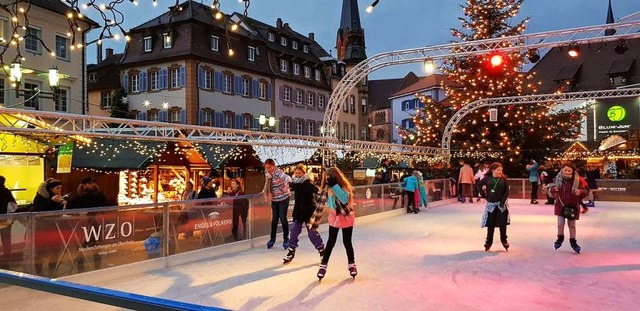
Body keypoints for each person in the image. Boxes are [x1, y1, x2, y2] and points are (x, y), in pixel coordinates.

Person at [317, 167, 357, 280]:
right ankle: (323, 265)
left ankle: (352, 264)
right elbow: (327, 203)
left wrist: (335, 186)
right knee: (331, 242)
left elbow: (344, 199)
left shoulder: (344, 188)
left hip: (346, 217)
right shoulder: (327, 189)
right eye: (327, 179)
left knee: (347, 242)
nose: (328, 181)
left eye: (331, 179)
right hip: (334, 218)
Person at [282, 164, 325, 263]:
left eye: (300, 173)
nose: (297, 175)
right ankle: (291, 251)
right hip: (298, 212)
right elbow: (290, 186)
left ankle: (322, 252)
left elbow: (316, 190)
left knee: (312, 234)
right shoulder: (294, 184)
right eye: (296, 173)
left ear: (304, 174)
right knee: (294, 232)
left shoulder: (307, 184)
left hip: (309, 212)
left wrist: (320, 191)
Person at [66, 177, 108, 272]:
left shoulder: (99, 195)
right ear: (84, 185)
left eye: (93, 183)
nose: (92, 185)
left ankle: (97, 267)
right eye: (89, 183)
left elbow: (105, 206)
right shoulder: (78, 196)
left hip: (94, 223)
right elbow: (70, 209)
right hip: (81, 224)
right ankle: (81, 268)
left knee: (96, 246)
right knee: (81, 246)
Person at [547, 162, 588, 254]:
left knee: (572, 225)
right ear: (562, 170)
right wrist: (554, 190)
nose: (567, 172)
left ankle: (573, 242)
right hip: (560, 206)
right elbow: (551, 190)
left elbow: (586, 191)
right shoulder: (557, 179)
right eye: (565, 170)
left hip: (573, 206)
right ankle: (560, 238)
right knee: (560, 224)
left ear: (573, 171)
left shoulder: (577, 180)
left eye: (569, 170)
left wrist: (580, 191)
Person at [32, 178, 66, 277]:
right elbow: (38, 211)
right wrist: (52, 201)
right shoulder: (40, 198)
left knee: (56, 250)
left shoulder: (57, 197)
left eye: (60, 188)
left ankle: (52, 271)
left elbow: (57, 212)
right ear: (51, 189)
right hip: (41, 228)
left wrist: (61, 204)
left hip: (54, 227)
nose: (60, 191)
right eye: (57, 188)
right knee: (40, 251)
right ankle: (39, 272)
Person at [478, 162, 510, 252]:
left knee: (502, 224)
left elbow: (506, 191)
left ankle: (504, 240)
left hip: (501, 205)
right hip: (491, 205)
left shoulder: (503, 179)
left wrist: (502, 202)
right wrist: (483, 195)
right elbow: (479, 185)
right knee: (491, 224)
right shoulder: (487, 178)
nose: (500, 171)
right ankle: (488, 242)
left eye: (501, 170)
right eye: (498, 170)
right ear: (492, 170)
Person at [263, 158, 292, 249]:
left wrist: (289, 181)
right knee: (275, 218)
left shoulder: (278, 172)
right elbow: (267, 184)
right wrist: (264, 192)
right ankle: (272, 239)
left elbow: (286, 177)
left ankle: (286, 239)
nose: (268, 169)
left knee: (283, 217)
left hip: (283, 198)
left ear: (274, 166)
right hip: (274, 199)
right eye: (266, 167)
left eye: (270, 167)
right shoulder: (267, 174)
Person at [0, 175, 17, 268]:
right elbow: (13, 205)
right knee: (6, 241)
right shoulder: (6, 192)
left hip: (4, 220)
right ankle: (7, 261)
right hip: (5, 220)